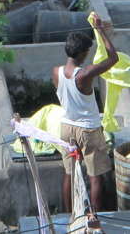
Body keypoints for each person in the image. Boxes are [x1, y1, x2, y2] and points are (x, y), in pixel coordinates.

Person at [52, 14, 119, 213]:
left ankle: (69, 215)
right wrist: (100, 30)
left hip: (66, 127)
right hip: (88, 129)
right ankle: (93, 217)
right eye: (87, 51)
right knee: (94, 176)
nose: (87, 55)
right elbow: (113, 58)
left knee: (70, 174)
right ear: (81, 52)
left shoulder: (56, 72)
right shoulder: (84, 74)